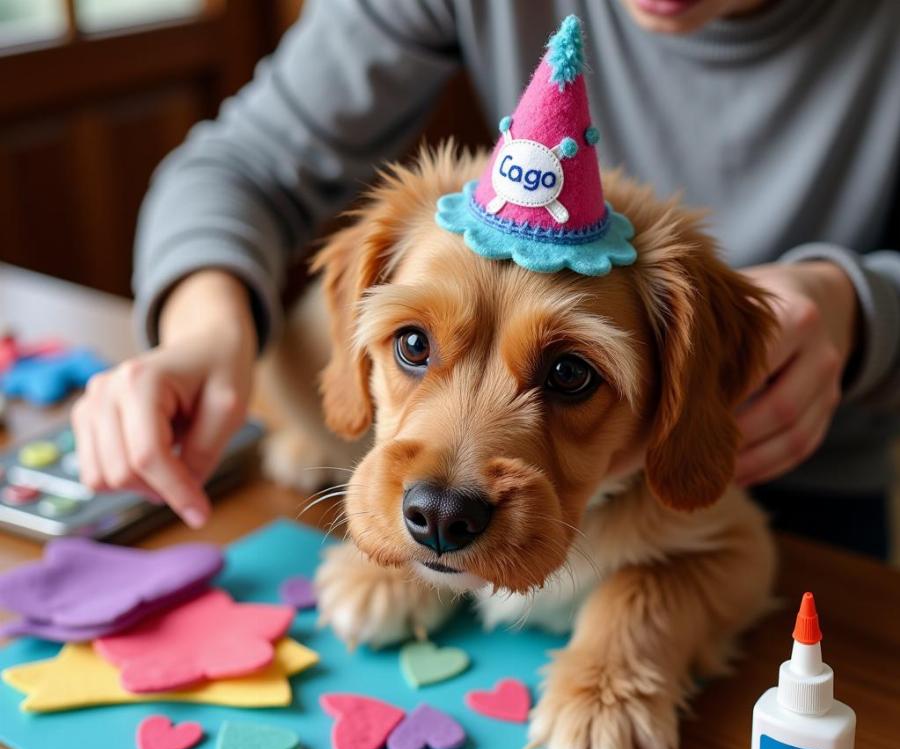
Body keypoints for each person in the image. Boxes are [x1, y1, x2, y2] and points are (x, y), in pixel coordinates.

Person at [71, 0, 900, 558]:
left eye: (569, 372)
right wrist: (209, 332)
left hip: (795, 482)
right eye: (413, 343)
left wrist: (858, 308)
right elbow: (244, 163)